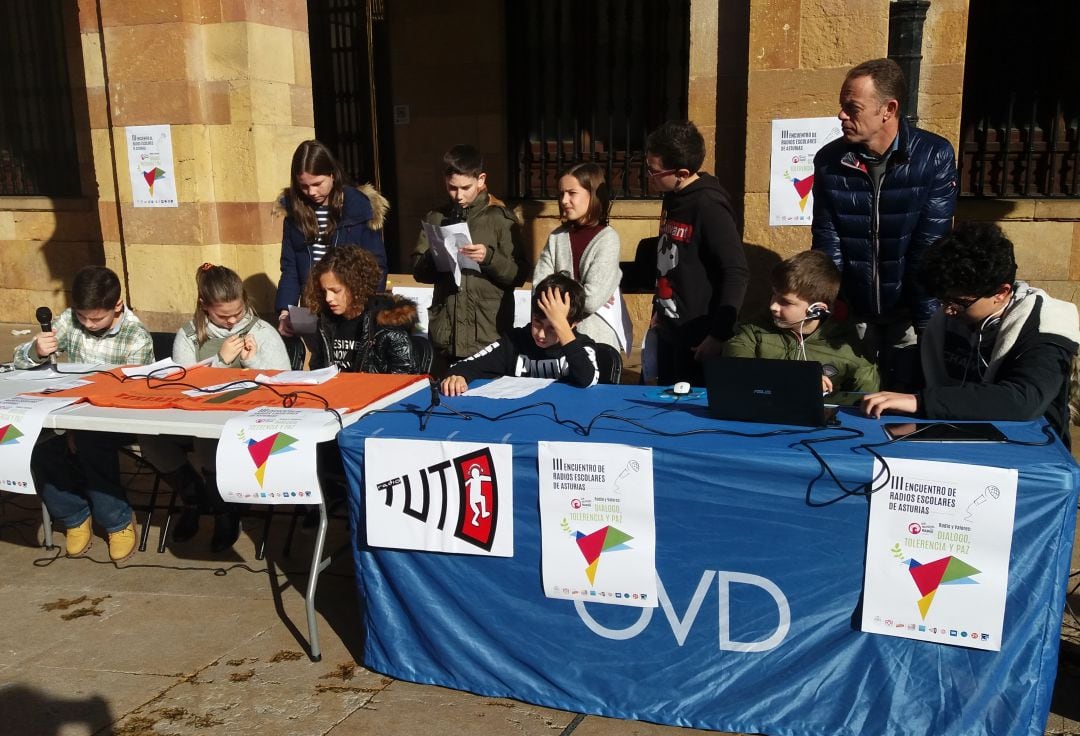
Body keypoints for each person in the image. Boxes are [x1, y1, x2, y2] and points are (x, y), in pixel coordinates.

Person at [862, 222, 1080, 447]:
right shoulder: (945, 320)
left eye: (960, 303)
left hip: (1029, 447)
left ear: (1001, 293)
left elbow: (1024, 399)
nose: (948, 310)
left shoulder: (1046, 323)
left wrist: (920, 402)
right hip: (951, 435)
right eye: (943, 300)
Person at [811, 58, 958, 389]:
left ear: (888, 109)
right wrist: (827, 307)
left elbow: (929, 246)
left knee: (900, 401)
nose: (841, 115)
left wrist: (926, 327)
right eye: (842, 105)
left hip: (908, 314)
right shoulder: (829, 160)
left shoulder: (933, 156)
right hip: (853, 312)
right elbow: (827, 237)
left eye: (853, 107)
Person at [140, 264, 291, 551]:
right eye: (223, 316)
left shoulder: (261, 331)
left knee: (209, 442)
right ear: (204, 306)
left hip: (249, 418)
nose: (233, 321)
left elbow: (283, 385)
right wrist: (220, 362)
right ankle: (194, 497)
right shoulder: (189, 335)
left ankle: (225, 511)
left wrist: (251, 363)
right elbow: (184, 386)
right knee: (150, 439)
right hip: (198, 413)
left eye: (238, 311)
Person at [15, 266, 154, 561]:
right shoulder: (69, 321)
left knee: (92, 441)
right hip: (72, 411)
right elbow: (20, 362)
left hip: (115, 415)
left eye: (96, 318)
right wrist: (37, 351)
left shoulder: (136, 336)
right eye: (82, 317)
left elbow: (134, 394)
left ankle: (116, 520)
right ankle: (73, 515)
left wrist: (79, 426)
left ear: (117, 305)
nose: (88, 324)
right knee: (36, 440)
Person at [646, 120, 749, 387]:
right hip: (669, 328)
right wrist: (658, 308)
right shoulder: (672, 196)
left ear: (681, 172)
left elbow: (735, 272)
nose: (648, 175)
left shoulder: (708, 205)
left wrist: (717, 335)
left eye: (653, 171)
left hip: (698, 338)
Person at [412, 144, 528, 373]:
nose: (459, 195)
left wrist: (488, 257)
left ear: (481, 180)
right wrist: (435, 256)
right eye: (452, 188)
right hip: (447, 333)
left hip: (487, 334)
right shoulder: (436, 217)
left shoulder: (500, 219)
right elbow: (417, 270)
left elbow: (519, 274)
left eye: (466, 187)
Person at [275, 139, 389, 337]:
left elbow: (376, 265)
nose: (312, 192)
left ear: (332, 175)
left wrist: (368, 309)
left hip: (353, 308)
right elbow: (290, 267)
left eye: (317, 184)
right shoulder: (294, 213)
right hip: (313, 310)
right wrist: (285, 310)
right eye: (304, 186)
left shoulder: (359, 207)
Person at [724, 251, 879, 393]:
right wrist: (795, 378)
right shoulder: (753, 330)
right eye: (774, 295)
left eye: (785, 302)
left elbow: (865, 399)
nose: (773, 306)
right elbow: (734, 369)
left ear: (817, 309)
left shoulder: (848, 349)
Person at [440, 272, 599, 396]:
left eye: (553, 328)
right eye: (537, 322)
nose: (542, 334)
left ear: (573, 324)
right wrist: (458, 376)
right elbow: (468, 365)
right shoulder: (514, 342)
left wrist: (561, 325)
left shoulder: (582, 347)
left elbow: (587, 379)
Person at [532, 162, 629, 354]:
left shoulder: (607, 238)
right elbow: (539, 287)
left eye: (572, 193)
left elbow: (592, 299)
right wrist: (578, 292)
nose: (564, 200)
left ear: (591, 194)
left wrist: (557, 296)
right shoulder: (556, 237)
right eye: (561, 194)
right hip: (554, 342)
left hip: (595, 339)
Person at [303, 245, 420, 374]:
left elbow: (403, 377)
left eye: (335, 291)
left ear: (356, 285)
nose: (328, 298)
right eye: (324, 291)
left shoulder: (387, 323)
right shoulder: (326, 323)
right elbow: (317, 369)